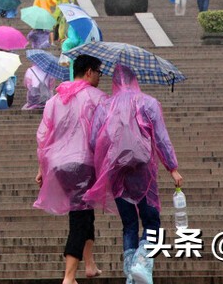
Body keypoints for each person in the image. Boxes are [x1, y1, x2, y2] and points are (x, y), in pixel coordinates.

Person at [85, 65, 183, 284]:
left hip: (117, 172)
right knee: (152, 222)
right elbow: (160, 138)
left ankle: (131, 272)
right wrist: (172, 167)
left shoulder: (105, 106)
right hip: (144, 171)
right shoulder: (148, 103)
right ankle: (142, 263)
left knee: (129, 223)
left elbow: (93, 141)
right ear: (134, 80)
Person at [35, 54, 105, 284]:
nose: (100, 77)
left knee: (85, 211)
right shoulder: (96, 98)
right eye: (99, 73)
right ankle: (69, 276)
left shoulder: (56, 98)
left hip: (59, 164)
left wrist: (42, 167)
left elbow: (44, 135)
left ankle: (90, 265)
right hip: (83, 164)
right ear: (88, 72)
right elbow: (106, 133)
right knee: (80, 217)